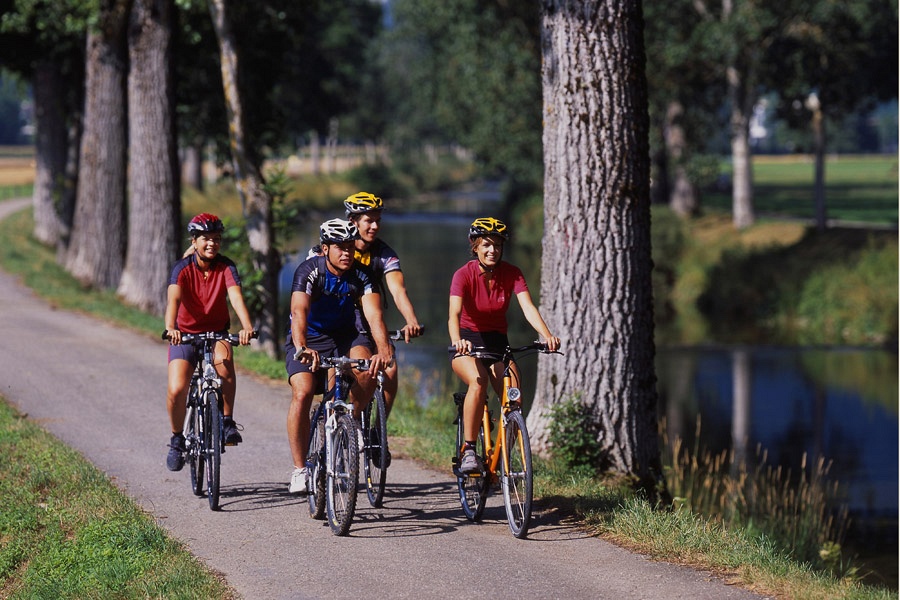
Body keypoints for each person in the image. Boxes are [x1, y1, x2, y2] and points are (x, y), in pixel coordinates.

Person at [285, 218, 393, 494]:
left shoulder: (362, 275)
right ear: (325, 248)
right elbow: (299, 312)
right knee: (303, 391)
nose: (347, 253)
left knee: (368, 369)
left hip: (346, 336)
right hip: (309, 338)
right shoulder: (309, 271)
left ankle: (350, 419)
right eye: (340, 247)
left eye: (350, 247)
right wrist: (301, 346)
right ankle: (300, 470)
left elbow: (374, 315)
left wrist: (384, 350)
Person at [448, 217, 561, 474]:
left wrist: (546, 334)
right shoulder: (463, 275)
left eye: (498, 245)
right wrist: (458, 341)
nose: (492, 251)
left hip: (498, 344)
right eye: (487, 244)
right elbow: (453, 314)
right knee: (478, 382)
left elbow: (528, 307)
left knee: (514, 395)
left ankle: (503, 451)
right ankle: (469, 450)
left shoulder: (512, 273)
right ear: (475, 246)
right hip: (467, 342)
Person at [164, 213, 255, 472]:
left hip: (217, 332)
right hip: (184, 334)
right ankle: (177, 439)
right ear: (194, 241)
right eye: (206, 239)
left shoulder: (226, 267)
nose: (211, 244)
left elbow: (235, 298)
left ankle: (227, 421)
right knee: (176, 389)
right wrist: (171, 328)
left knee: (224, 365)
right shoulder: (181, 268)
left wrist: (246, 327)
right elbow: (173, 300)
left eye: (216, 239)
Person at [343, 191, 423, 464]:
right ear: (353, 220)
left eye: (378, 220)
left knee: (389, 371)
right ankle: (349, 423)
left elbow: (398, 290)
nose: (374, 226)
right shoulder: (337, 245)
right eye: (368, 221)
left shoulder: (384, 253)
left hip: (371, 318)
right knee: (361, 372)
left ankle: (377, 432)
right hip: (340, 317)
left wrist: (410, 319)